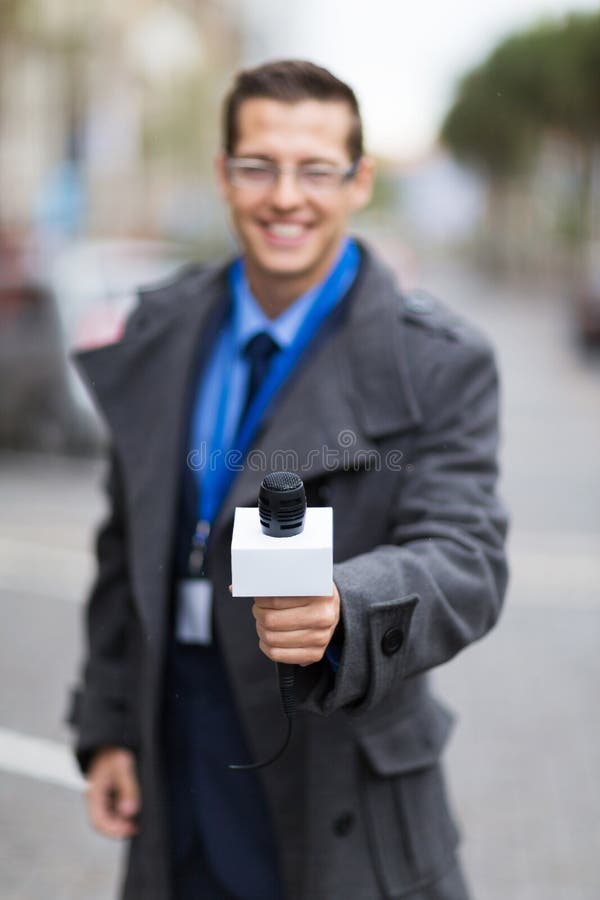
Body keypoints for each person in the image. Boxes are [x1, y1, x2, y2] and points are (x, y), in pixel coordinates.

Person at [68, 59, 509, 900]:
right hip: (175, 737)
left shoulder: (440, 362)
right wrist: (110, 723)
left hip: (333, 747)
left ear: (359, 182)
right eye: (258, 166)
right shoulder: (159, 326)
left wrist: (345, 604)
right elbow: (124, 543)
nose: (284, 197)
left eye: (315, 170)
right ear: (223, 174)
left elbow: (468, 559)